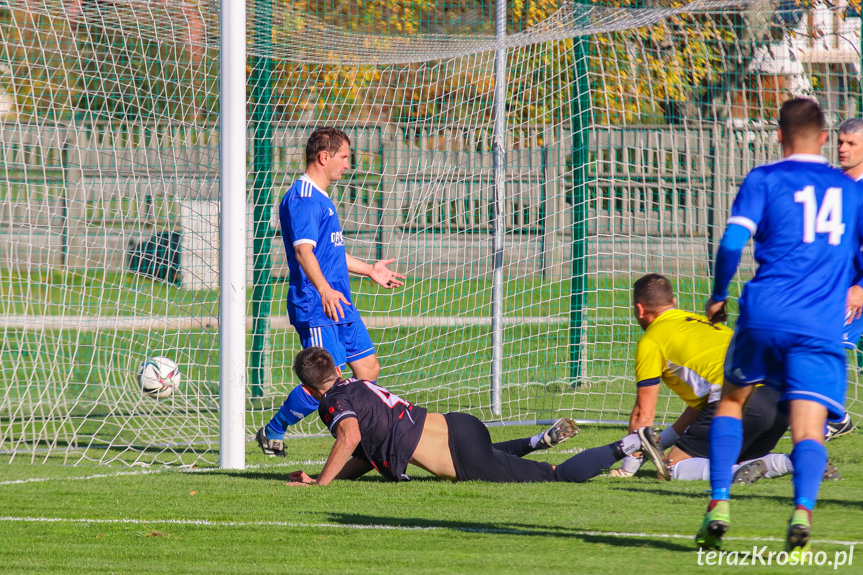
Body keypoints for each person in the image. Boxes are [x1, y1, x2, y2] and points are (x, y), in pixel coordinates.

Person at [696, 98, 863, 554]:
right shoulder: (850, 191)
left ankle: (719, 503)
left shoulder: (764, 179)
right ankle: (803, 510)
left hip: (765, 314)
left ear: (778, 136)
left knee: (731, 401)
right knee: (808, 429)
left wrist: (717, 294)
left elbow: (732, 242)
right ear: (825, 138)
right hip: (820, 322)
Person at [285, 347, 670, 486]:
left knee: (557, 476)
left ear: (310, 388)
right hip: (460, 425)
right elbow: (366, 452)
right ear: (336, 368)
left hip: (463, 453)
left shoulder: (332, 403)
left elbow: (350, 437)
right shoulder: (359, 384)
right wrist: (328, 476)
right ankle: (535, 441)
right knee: (495, 459)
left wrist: (321, 484)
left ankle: (631, 442)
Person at [256, 128, 406, 457]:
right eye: (344, 157)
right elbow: (303, 252)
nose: (348, 165)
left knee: (368, 369)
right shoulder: (304, 199)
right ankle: (274, 430)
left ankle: (369, 433)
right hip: (317, 305)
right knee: (325, 382)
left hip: (339, 302)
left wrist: (369, 269)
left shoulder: (321, 198)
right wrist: (324, 290)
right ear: (324, 157)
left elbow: (329, 253)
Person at [612, 273, 790, 483]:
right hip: (779, 399)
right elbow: (699, 408)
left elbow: (644, 413)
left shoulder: (651, 340)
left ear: (639, 309)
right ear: (673, 303)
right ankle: (795, 461)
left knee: (669, 468)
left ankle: (732, 474)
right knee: (741, 459)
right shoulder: (704, 322)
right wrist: (662, 441)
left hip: (737, 400)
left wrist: (628, 466)